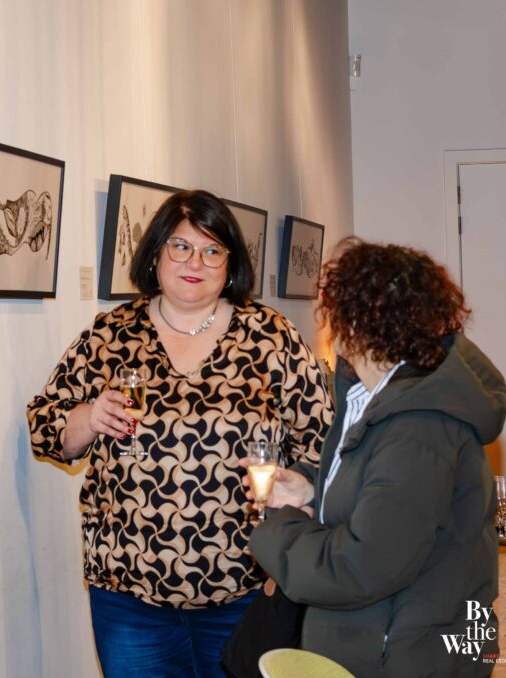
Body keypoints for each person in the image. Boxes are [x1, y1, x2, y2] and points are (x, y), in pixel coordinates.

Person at [27, 189, 333, 677]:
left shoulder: (269, 336)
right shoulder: (111, 335)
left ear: (231, 265)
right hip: (129, 595)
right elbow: (44, 427)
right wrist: (89, 417)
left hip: (247, 587)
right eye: (181, 246)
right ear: (156, 253)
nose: (196, 262)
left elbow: (324, 443)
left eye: (212, 250)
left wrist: (300, 490)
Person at [249, 239, 506, 677]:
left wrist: (278, 531)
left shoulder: (418, 424)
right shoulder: (379, 396)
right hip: (392, 641)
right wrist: (313, 488)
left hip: (404, 655)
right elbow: (389, 500)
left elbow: (363, 566)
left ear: (355, 322)